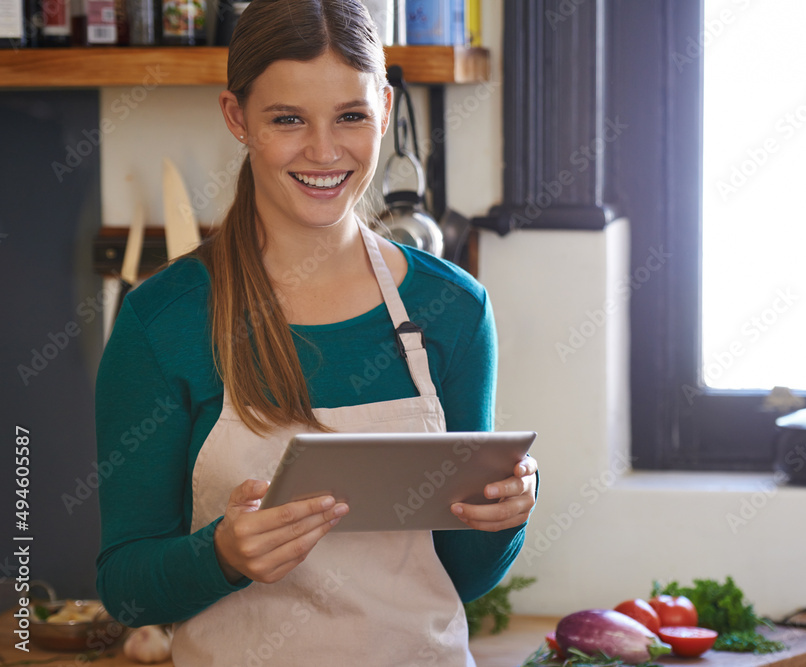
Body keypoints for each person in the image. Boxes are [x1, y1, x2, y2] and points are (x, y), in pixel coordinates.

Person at [93, 0, 537, 663]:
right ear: (237, 118)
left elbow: (463, 575)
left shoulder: (454, 310)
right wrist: (218, 554)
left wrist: (505, 514)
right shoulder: (163, 321)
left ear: (384, 109)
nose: (325, 152)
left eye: (351, 116)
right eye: (288, 119)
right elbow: (126, 592)